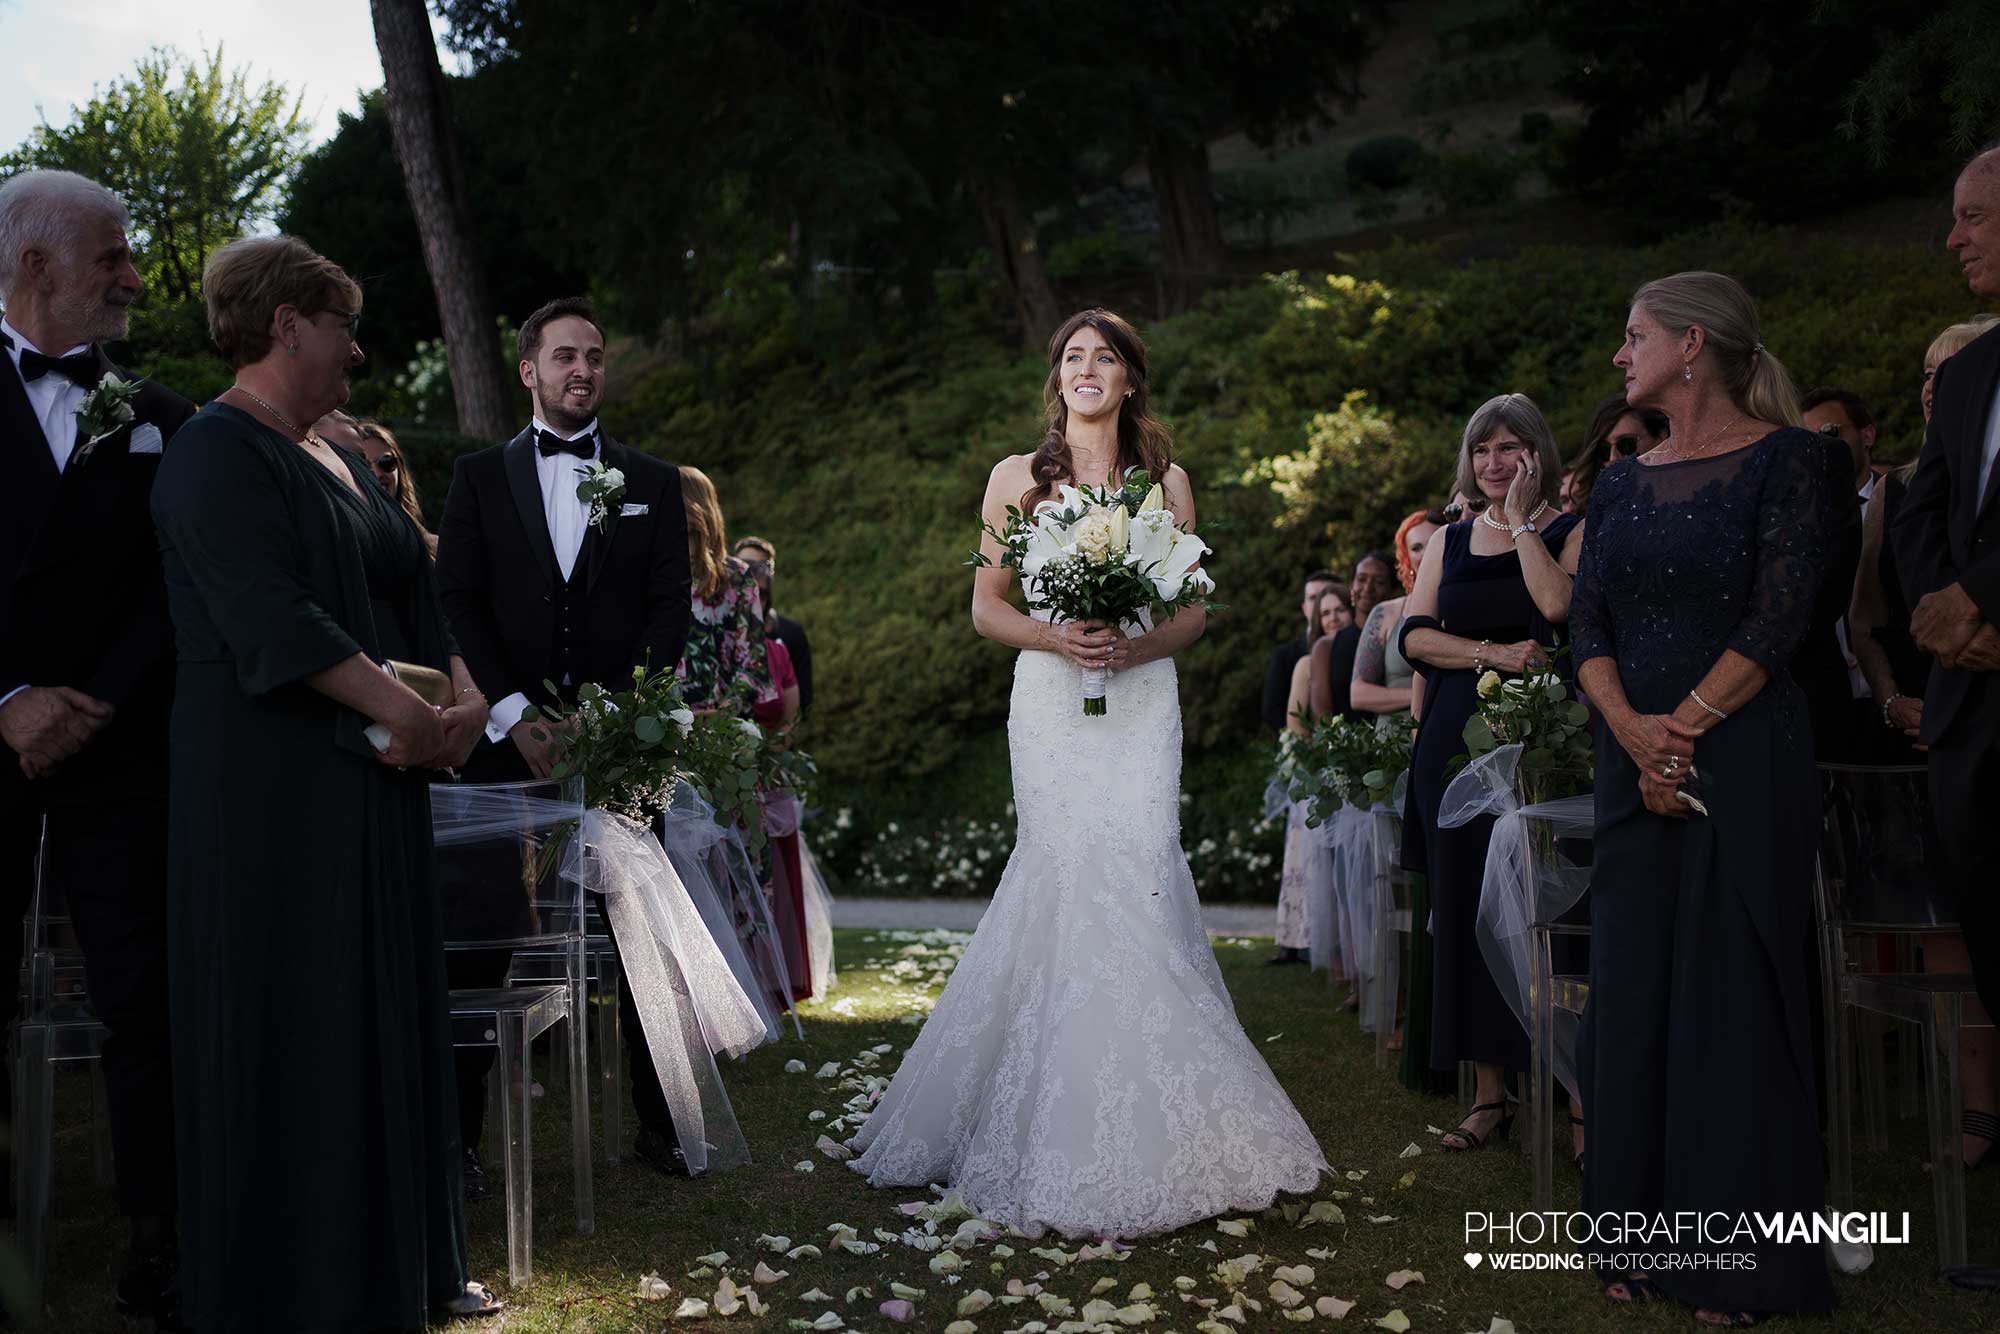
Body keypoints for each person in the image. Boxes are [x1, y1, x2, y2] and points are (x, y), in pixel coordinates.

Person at [849, 308, 1327, 1236]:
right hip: (1051, 701)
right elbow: (987, 608)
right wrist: (1058, 635)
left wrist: (1134, 647)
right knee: (1063, 873)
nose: (1088, 369)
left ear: (1132, 378)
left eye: (1105, 357)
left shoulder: (1165, 483)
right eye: (1073, 357)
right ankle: (1044, 1118)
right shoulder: (1013, 480)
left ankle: (1172, 1123)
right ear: (1056, 379)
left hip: (1141, 702)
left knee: (1144, 863)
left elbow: (1193, 614)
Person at [150, 235, 501, 1328]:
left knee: (384, 1014)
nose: (356, 348)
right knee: (300, 1015)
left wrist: (465, 697)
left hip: (373, 781)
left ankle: (399, 1261)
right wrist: (411, 717)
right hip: (269, 793)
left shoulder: (338, 452)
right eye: (342, 323)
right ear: (286, 322)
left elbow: (419, 579)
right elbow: (273, 617)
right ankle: (300, 1280)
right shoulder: (214, 452)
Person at [1571, 270, 1834, 1323]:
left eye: (1631, 335)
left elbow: (1779, 619)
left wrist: (1678, 730)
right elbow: (1583, 624)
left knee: (1729, 999)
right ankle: (1629, 1236)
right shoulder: (1619, 484)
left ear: (1690, 345)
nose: (1617, 354)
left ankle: (1735, 1259)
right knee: (1632, 994)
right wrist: (1632, 733)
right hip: (1631, 766)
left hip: (1740, 756)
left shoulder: (1793, 463)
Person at [433, 295, 697, 1182]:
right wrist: (512, 713)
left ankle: (664, 1126)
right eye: (564, 357)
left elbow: (669, 611)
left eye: (594, 355)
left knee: (643, 935)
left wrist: (616, 717)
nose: (582, 369)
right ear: (528, 371)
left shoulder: (653, 484)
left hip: (621, 750)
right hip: (506, 748)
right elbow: (456, 601)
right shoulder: (476, 478)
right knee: (478, 935)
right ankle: (457, 1139)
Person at [0, 169, 195, 1325]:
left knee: (145, 1001)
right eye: (113, 255)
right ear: (35, 264)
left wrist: (92, 701)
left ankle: (158, 1237)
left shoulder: (156, 411)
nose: (133, 277)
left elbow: (175, 581)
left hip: (119, 757)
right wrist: (10, 697)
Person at [1399, 393, 1583, 1152]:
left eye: (1511, 448)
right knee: (1469, 910)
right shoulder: (1447, 539)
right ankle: (1488, 1096)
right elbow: (1414, 636)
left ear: (1538, 454)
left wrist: (1523, 523)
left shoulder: (1573, 530)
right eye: (1482, 451)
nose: (1495, 463)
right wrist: (1494, 654)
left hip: (1547, 740)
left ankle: (1577, 1094)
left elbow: (1560, 608)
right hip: (1455, 736)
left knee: (1556, 917)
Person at [1895, 148, 2000, 1294]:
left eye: (1969, 217)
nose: (1949, 238)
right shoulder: (1966, 378)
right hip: (1970, 715)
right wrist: (1944, 614)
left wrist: (1991, 602)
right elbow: (1923, 511)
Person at [1853, 320, 2000, 759]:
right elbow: (1864, 618)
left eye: (1949, 370)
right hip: (1915, 724)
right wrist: (1891, 702)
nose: (1934, 387)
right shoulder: (1895, 491)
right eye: (1927, 373)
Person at [1799, 387, 1880, 760]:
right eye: (1807, 438)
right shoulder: (1796, 521)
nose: (1819, 447)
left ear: (1867, 434)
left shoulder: (1908, 501)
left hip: (1897, 698)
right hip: (1827, 693)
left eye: (1830, 433)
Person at [1269, 587, 1344, 967]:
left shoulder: (1358, 656)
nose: (1332, 617)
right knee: (1305, 858)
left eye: (1339, 610)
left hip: (1349, 764)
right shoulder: (1304, 664)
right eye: (1325, 612)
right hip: (1313, 769)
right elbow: (1295, 722)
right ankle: (1299, 939)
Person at [1351, 509, 1444, 717]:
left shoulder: (1465, 605)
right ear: (1407, 558)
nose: (1426, 553)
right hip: (1392, 741)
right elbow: (1358, 694)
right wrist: (1420, 695)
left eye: (1434, 542)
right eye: (1416, 548)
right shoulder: (1385, 613)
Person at [320, 411, 439, 557]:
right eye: (363, 465)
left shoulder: (437, 547)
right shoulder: (343, 548)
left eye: (386, 462)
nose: (377, 473)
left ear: (400, 467)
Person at [1310, 550, 1395, 720]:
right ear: (1351, 585)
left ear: (1392, 589)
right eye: (1361, 579)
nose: (1367, 588)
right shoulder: (1326, 647)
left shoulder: (1400, 641)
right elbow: (1322, 720)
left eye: (1378, 582)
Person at [734, 535, 813, 715]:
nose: (750, 573)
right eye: (742, 565)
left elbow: (803, 704)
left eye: (759, 567)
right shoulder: (719, 632)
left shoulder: (790, 635)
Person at [1564, 392, 1668, 514]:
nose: (1613, 457)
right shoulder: (1592, 515)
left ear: (1661, 438)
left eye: (1626, 445)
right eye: (1604, 450)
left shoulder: (1686, 494)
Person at [1262, 568, 1336, 731]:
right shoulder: (1284, 656)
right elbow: (1273, 710)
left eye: (1324, 596)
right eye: (1312, 598)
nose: (1318, 604)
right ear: (1304, 607)